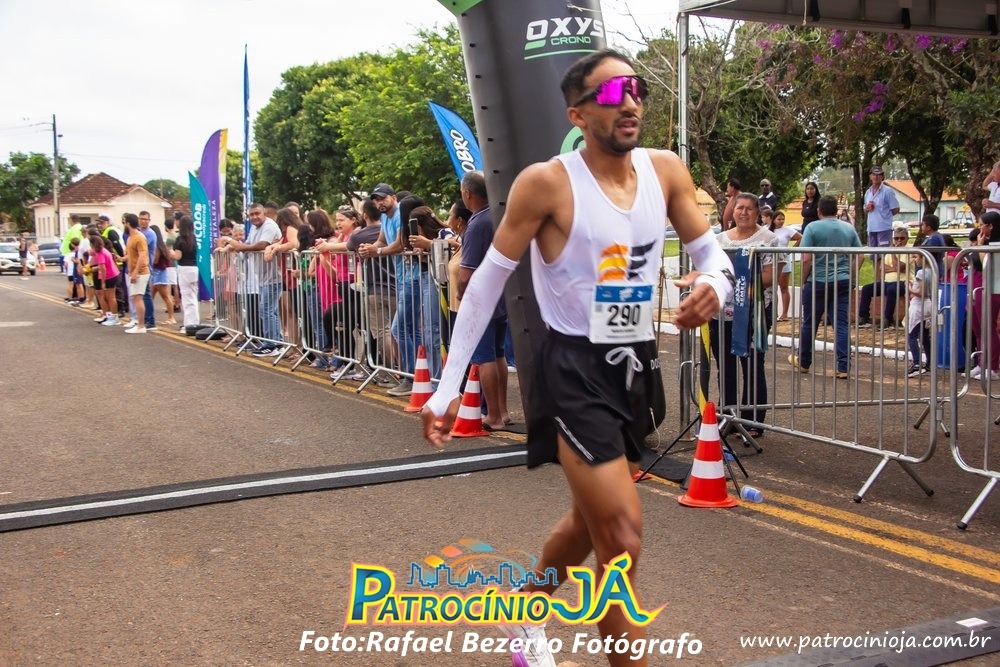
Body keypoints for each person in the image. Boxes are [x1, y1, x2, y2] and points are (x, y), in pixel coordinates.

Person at [420, 49, 732, 667]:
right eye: (612, 92)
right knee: (622, 538)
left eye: (635, 88)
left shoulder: (667, 171)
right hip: (570, 371)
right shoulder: (547, 183)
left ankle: (523, 610)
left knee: (591, 523)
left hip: (635, 365)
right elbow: (485, 283)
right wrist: (447, 386)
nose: (630, 100)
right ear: (578, 113)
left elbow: (714, 257)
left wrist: (715, 288)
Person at [705, 194, 775, 436]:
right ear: (732, 212)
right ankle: (728, 416)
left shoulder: (768, 239)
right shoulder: (719, 240)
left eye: (749, 209)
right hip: (721, 314)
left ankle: (753, 420)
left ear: (757, 212)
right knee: (725, 367)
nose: (743, 213)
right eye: (739, 208)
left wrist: (742, 284)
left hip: (754, 313)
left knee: (753, 365)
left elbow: (771, 275)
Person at [456, 171, 509, 429]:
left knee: (484, 356)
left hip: (481, 299)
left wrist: (460, 294)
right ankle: (503, 411)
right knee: (498, 354)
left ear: (467, 193)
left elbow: (466, 273)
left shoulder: (476, 224)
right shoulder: (498, 216)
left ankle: (494, 415)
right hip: (502, 295)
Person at [357, 184, 422, 397]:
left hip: (412, 277)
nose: (379, 203)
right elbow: (382, 240)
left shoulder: (402, 211)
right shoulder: (385, 217)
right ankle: (419, 376)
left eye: (382, 198)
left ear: (393, 197)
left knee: (399, 329)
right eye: (376, 200)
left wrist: (376, 251)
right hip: (402, 279)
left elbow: (400, 244)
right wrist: (370, 248)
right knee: (411, 329)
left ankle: (411, 377)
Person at [789, 195, 863, 378]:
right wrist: (851, 275)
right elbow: (860, 256)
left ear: (818, 210)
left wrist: (803, 280)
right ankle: (843, 366)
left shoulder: (812, 228)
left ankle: (804, 361)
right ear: (836, 211)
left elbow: (806, 258)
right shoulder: (848, 228)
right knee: (841, 324)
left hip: (818, 280)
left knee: (810, 322)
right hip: (842, 280)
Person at [968, 211, 1000, 380]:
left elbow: (987, 265)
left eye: (981, 225)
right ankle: (982, 363)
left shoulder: (994, 245)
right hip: (977, 288)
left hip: (991, 289)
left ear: (991, 226)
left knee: (988, 328)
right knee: (978, 328)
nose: (979, 228)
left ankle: (993, 367)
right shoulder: (984, 243)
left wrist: (980, 246)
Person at [857, 226, 909, 328]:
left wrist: (893, 254)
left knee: (891, 290)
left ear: (907, 238)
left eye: (902, 238)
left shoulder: (910, 251)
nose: (899, 241)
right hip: (887, 281)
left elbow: (899, 267)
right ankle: (863, 317)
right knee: (867, 289)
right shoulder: (890, 250)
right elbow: (882, 267)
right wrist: (894, 268)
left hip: (904, 281)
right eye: (896, 238)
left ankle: (888, 319)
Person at [905, 253, 934, 377]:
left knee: (911, 336)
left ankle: (917, 363)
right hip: (928, 305)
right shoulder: (933, 271)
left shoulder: (921, 272)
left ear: (923, 258)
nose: (915, 259)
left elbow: (921, 293)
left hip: (918, 306)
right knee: (925, 335)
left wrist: (909, 288)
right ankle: (930, 363)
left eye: (917, 257)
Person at [770, 210, 801, 321]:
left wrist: (791, 250)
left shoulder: (787, 230)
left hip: (784, 260)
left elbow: (800, 237)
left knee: (784, 287)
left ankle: (784, 313)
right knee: (771, 288)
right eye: (779, 219)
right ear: (773, 220)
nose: (781, 221)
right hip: (771, 261)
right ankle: (772, 312)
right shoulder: (768, 230)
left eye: (783, 219)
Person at [123, 213, 151, 334]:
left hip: (141, 272)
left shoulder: (139, 237)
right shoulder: (130, 237)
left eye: (125, 222)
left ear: (128, 223)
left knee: (138, 297)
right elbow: (132, 254)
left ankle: (141, 325)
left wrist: (135, 271)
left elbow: (142, 255)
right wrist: (122, 258)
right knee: (136, 297)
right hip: (134, 271)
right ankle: (139, 324)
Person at [862, 166, 899, 248]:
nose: (876, 177)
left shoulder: (888, 191)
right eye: (874, 175)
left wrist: (885, 216)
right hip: (871, 228)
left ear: (882, 177)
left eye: (879, 175)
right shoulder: (868, 192)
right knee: (873, 254)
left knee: (883, 253)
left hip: (884, 228)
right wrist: (867, 209)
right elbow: (865, 209)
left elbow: (896, 208)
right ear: (870, 176)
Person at [174, 216, 200, 330]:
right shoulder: (194, 238)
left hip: (184, 268)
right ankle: (194, 322)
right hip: (194, 268)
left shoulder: (180, 239)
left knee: (186, 298)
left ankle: (189, 324)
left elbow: (178, 256)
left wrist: (170, 253)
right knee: (193, 297)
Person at [149, 225, 177, 325]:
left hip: (159, 273)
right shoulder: (161, 245)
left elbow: (156, 260)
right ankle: (149, 316)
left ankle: (171, 317)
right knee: (150, 296)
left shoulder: (157, 246)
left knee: (166, 296)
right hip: (157, 273)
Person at [137, 211, 158, 331]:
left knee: (146, 295)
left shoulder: (149, 234)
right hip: (140, 267)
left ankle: (150, 320)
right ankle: (143, 319)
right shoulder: (139, 233)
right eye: (141, 219)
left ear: (149, 221)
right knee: (140, 295)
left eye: (146, 219)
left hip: (146, 267)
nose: (143, 221)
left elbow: (140, 249)